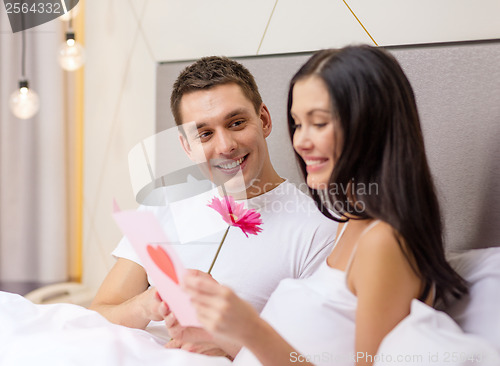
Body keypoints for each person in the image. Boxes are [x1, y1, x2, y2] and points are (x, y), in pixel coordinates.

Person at [178, 45, 469, 365]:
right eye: (298, 123)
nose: (300, 141)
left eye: (318, 123)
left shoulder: (383, 243)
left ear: (369, 126)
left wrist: (251, 329)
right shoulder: (348, 225)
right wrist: (233, 340)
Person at [89, 56, 338, 356]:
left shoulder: (318, 228)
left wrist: (229, 342)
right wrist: (148, 303)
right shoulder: (163, 204)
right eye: (204, 134)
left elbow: (317, 358)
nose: (225, 146)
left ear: (264, 120)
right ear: (186, 146)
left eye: (236, 123)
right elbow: (98, 315)